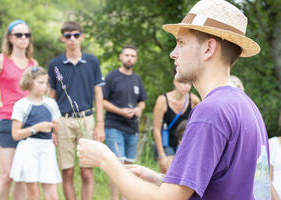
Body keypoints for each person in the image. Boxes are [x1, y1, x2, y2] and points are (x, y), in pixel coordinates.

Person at [77, 0, 272, 199]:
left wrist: (105, 159)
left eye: (181, 43)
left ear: (208, 48)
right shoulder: (247, 106)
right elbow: (230, 184)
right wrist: (159, 179)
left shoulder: (211, 110)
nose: (173, 53)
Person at [0, 20, 38, 200]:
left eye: (27, 35)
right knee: (6, 176)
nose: (23, 38)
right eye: (19, 35)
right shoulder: (1, 59)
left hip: (29, 123)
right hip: (7, 120)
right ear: (10, 38)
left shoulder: (33, 63)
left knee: (21, 176)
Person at [48, 21, 105, 200]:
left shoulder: (92, 61)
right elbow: (52, 97)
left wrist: (100, 124)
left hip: (86, 119)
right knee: (68, 172)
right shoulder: (55, 64)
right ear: (62, 38)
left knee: (87, 172)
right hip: (63, 120)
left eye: (75, 35)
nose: (72, 39)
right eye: (68, 36)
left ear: (82, 37)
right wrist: (53, 127)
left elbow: (98, 93)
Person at [102, 45, 146, 200]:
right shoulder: (112, 77)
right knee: (117, 166)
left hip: (132, 128)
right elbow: (102, 101)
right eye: (126, 55)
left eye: (132, 56)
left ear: (136, 59)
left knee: (130, 167)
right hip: (114, 126)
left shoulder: (136, 79)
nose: (129, 58)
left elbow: (142, 102)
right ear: (121, 57)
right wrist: (120, 111)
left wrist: (138, 109)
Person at [11, 66, 62, 200]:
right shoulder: (21, 105)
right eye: (40, 82)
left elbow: (56, 126)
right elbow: (15, 134)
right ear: (29, 82)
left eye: (46, 82)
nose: (44, 86)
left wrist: (55, 126)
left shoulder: (51, 103)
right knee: (33, 191)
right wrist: (36, 128)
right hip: (29, 148)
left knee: (52, 191)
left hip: (47, 147)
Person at [153, 77, 199, 173]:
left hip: (184, 142)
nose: (186, 87)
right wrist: (161, 155)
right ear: (175, 82)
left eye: (189, 84)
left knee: (182, 174)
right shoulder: (163, 100)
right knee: (168, 174)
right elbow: (156, 129)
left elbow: (199, 125)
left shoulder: (193, 100)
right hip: (166, 143)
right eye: (183, 83)